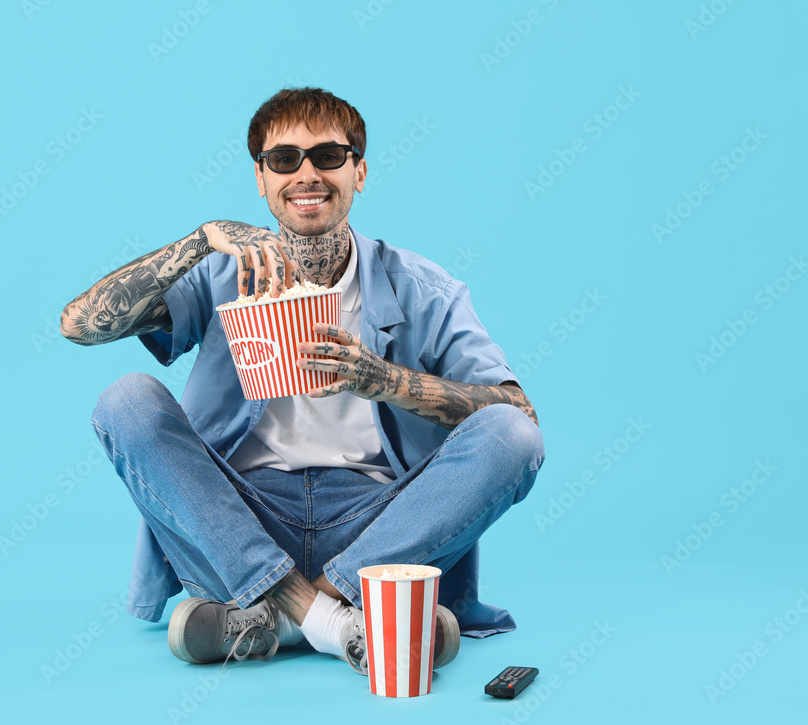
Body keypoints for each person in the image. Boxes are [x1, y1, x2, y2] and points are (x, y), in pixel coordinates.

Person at [60, 87, 544, 674]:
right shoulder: (218, 275)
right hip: (237, 520)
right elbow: (79, 325)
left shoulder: (424, 288)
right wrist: (197, 241)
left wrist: (386, 380)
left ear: (359, 172)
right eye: (284, 159)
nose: (307, 174)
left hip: (378, 526)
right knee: (125, 400)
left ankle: (273, 618)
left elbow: (519, 417)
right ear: (260, 180)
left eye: (329, 156)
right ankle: (339, 622)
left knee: (510, 437)